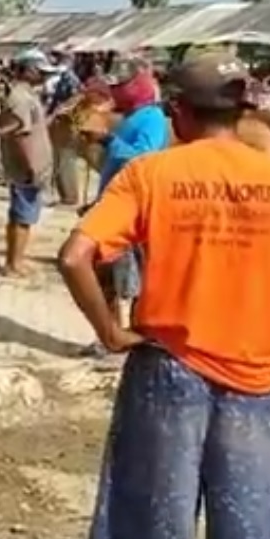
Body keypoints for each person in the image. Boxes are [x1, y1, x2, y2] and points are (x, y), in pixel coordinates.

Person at [58, 54, 270, 539]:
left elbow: (75, 257)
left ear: (177, 112)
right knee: (254, 526)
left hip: (168, 366)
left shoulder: (149, 174)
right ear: (242, 111)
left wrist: (110, 332)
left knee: (145, 526)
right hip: (264, 375)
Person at [76, 58, 170, 359]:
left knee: (134, 280)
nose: (115, 92)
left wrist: (107, 141)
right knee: (106, 276)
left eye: (121, 86)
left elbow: (143, 158)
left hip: (135, 210)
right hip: (114, 203)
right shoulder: (129, 116)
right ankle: (110, 336)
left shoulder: (151, 118)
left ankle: (131, 338)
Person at [0, 48, 57, 277]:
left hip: (29, 166)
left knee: (22, 215)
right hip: (26, 168)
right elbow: (20, 135)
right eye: (40, 71)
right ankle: (14, 263)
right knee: (23, 216)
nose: (44, 76)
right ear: (29, 70)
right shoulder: (21, 98)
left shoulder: (26, 95)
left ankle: (14, 260)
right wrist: (30, 167)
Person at [46, 47, 84, 206]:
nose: (53, 58)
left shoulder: (70, 78)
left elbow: (76, 99)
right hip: (58, 121)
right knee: (58, 159)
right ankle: (65, 195)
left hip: (67, 123)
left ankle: (70, 196)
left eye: (57, 56)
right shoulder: (62, 77)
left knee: (65, 159)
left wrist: (57, 112)